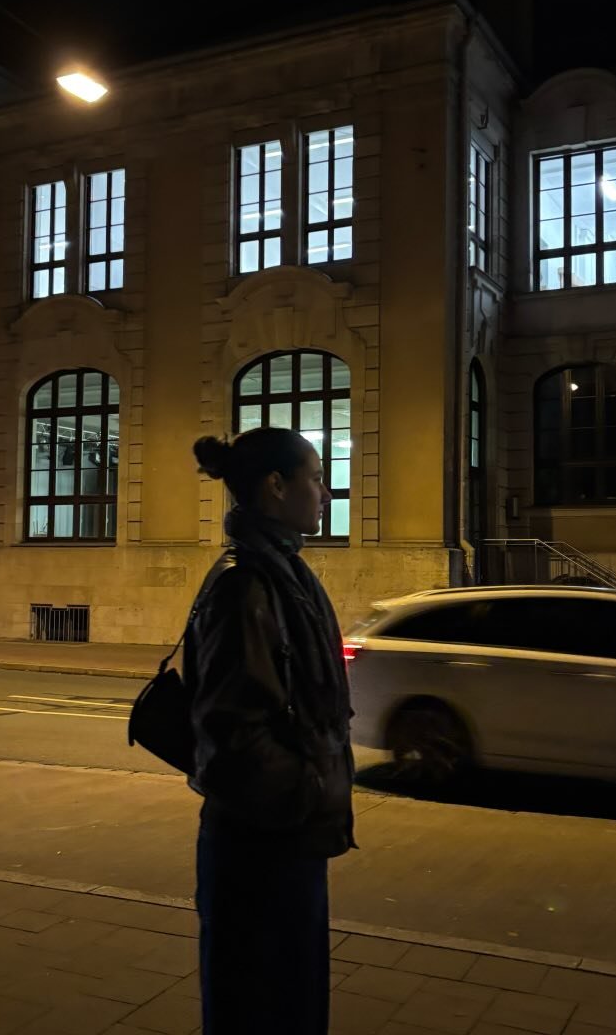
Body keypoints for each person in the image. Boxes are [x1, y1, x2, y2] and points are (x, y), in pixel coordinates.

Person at [184, 427, 355, 1035]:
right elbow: (234, 733)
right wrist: (306, 793)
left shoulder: (282, 572)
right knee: (261, 1009)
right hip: (263, 846)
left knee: (290, 1005)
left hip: (287, 839)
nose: (326, 493)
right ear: (276, 487)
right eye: (316, 478)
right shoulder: (246, 584)